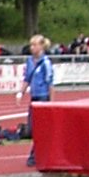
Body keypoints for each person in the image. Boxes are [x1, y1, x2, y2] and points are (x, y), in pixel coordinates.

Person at [22, 34, 55, 167]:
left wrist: (51, 103)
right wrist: (20, 92)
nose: (32, 47)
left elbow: (50, 83)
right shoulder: (30, 61)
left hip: (43, 97)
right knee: (31, 128)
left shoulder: (46, 63)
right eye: (31, 45)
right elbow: (27, 78)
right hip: (34, 97)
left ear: (41, 46)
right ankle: (38, 153)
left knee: (41, 128)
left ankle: (35, 155)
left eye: (34, 45)